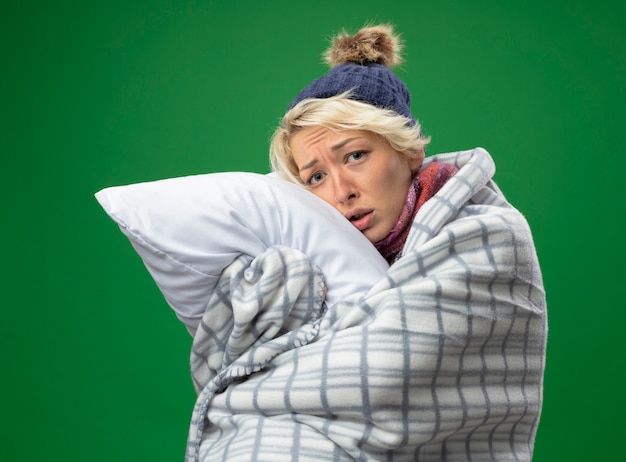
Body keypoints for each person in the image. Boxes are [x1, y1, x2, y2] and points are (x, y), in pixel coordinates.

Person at [187, 24, 547, 461]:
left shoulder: (487, 235)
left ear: (408, 151)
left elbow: (383, 377)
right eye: (315, 176)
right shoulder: (313, 251)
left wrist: (242, 391)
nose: (341, 191)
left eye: (355, 155)